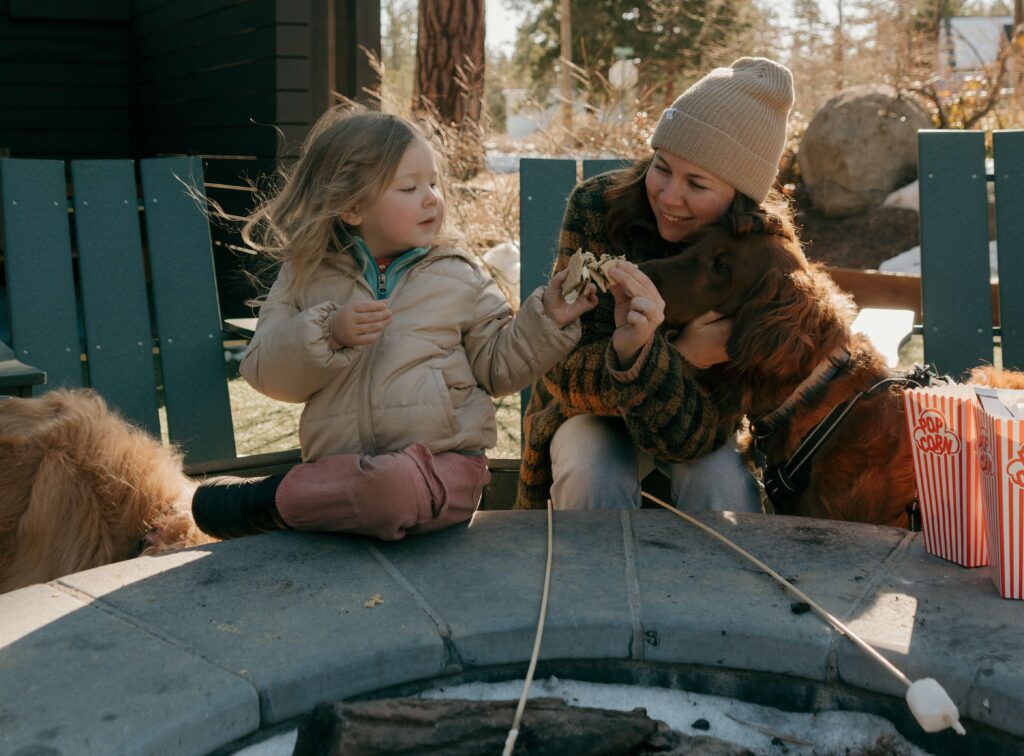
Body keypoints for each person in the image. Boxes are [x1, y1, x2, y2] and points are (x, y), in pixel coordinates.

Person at [192, 107, 596, 541]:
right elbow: (265, 373)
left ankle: (270, 503)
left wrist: (547, 320)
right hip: (341, 467)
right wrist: (327, 334)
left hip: (447, 467)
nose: (431, 198)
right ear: (351, 206)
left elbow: (497, 367)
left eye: (434, 184)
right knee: (373, 488)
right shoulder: (307, 275)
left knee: (391, 488)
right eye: (409, 187)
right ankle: (325, 500)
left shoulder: (459, 274)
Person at [515, 57, 797, 512]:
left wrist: (652, 364)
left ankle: (720, 583)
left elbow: (710, 422)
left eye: (697, 184)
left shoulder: (757, 257)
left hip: (699, 424)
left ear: (740, 199)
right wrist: (677, 355)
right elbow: (562, 370)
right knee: (592, 465)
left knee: (722, 480)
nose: (668, 196)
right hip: (585, 413)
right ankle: (589, 581)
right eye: (662, 167)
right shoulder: (597, 207)